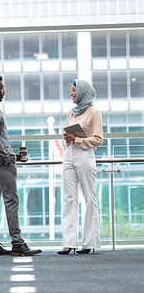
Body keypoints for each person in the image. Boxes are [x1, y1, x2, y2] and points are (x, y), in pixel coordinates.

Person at [0, 74, 42, 256]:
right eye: (1, 88)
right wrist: (8, 158)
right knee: (11, 201)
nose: (4, 91)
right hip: (0, 163)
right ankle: (18, 244)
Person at [58, 79, 103, 255]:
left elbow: (98, 139)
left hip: (84, 154)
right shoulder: (72, 112)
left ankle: (89, 242)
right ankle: (69, 243)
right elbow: (70, 134)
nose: (71, 94)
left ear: (83, 91)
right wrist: (68, 138)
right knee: (69, 198)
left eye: (74, 90)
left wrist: (77, 139)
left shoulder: (94, 113)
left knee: (89, 198)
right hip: (69, 153)